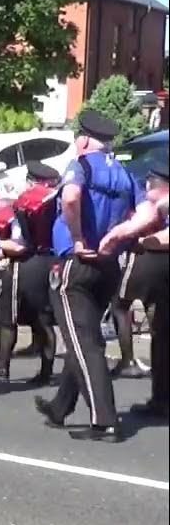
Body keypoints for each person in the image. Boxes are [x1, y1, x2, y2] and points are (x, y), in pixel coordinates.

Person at [34, 111, 138, 440]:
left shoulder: (81, 165)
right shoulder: (124, 174)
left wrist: (78, 238)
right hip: (107, 264)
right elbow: (139, 212)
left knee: (83, 342)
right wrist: (119, 238)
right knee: (87, 335)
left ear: (84, 139)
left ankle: (104, 420)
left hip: (75, 263)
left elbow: (70, 197)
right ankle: (60, 406)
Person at [98, 158, 170, 419]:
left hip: (155, 263)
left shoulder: (163, 205)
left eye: (151, 181)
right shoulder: (156, 206)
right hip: (155, 268)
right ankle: (160, 398)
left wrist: (143, 241)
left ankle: (133, 365)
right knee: (160, 334)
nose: (146, 184)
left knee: (124, 306)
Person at [0, 160, 60, 385]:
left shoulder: (27, 201)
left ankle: (1, 368)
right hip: (52, 262)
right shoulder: (59, 199)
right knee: (44, 319)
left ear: (31, 180)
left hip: (27, 262)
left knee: (7, 317)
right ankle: (46, 371)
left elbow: (20, 243)